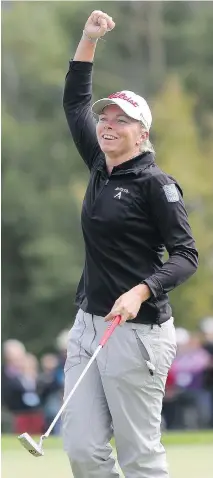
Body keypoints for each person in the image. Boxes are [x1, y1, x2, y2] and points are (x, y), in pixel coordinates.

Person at [62, 10, 198, 478]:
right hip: (87, 326)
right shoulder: (101, 165)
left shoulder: (157, 186)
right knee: (82, 450)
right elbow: (75, 102)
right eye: (107, 118)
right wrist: (88, 40)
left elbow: (186, 256)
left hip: (137, 334)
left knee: (140, 455)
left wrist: (142, 290)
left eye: (123, 120)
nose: (109, 125)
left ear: (143, 133)